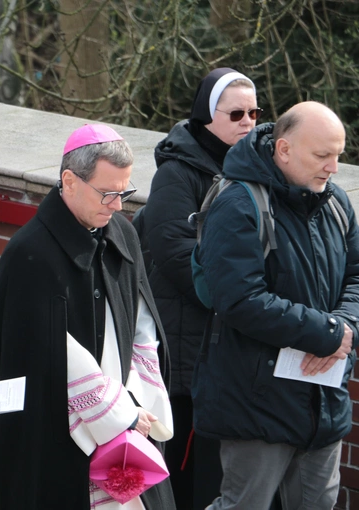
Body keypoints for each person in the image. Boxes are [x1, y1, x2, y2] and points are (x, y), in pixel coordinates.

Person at [0, 124, 175, 510]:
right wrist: (116, 411)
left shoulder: (122, 234)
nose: (118, 205)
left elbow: (142, 324)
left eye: (125, 192)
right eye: (108, 193)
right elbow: (53, 354)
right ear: (69, 181)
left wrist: (136, 398)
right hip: (58, 439)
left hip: (130, 415)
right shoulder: (29, 253)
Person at [192, 101, 359, 509]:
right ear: (283, 150)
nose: (333, 167)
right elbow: (240, 300)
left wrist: (343, 328)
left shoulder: (334, 203)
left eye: (338, 155)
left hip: (322, 401)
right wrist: (327, 334)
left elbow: (356, 276)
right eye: (322, 155)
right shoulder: (238, 203)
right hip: (257, 403)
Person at [137, 68, 259, 509]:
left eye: (255, 113)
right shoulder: (178, 173)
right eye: (237, 114)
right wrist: (233, 296)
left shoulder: (252, 170)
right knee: (184, 460)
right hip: (187, 337)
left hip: (223, 336)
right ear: (208, 117)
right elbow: (172, 250)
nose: (248, 122)